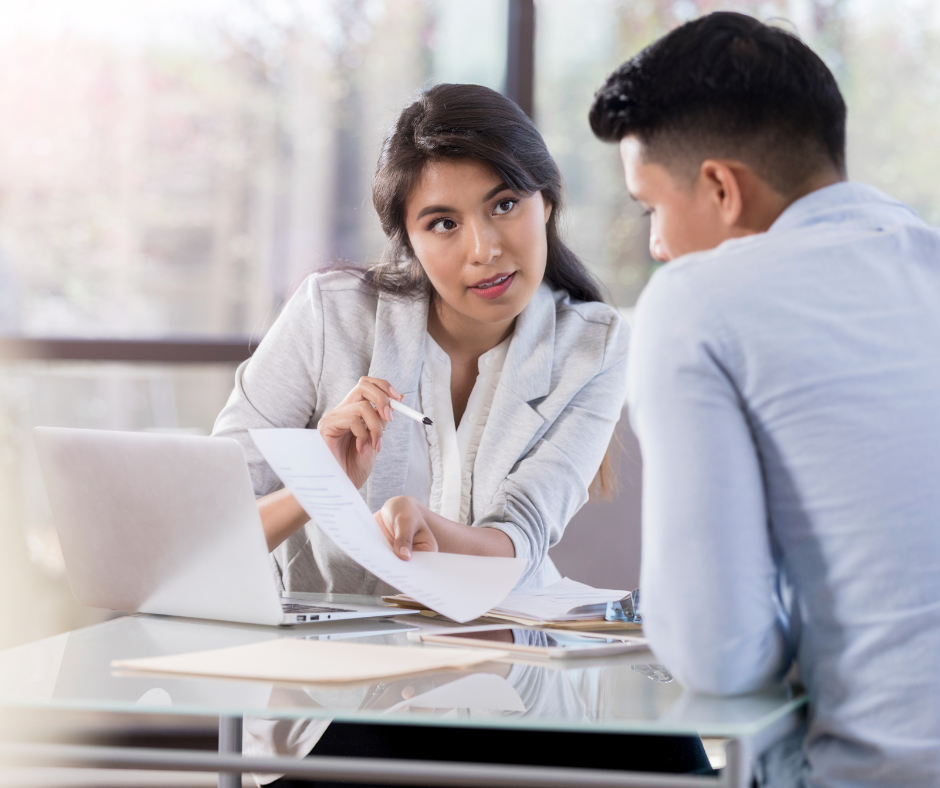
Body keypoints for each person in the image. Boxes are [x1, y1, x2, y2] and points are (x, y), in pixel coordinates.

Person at [590, 11, 940, 788]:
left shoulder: (696, 300)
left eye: (651, 208)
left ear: (720, 186)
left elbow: (718, 656)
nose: (655, 245)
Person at [213, 82, 629, 595]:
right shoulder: (329, 315)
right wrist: (320, 485)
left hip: (504, 655)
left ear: (545, 201)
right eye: (444, 223)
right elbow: (208, 531)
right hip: (327, 662)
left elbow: (523, 536)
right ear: (408, 240)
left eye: (503, 205)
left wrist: (431, 528)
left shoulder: (595, 347)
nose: (484, 250)